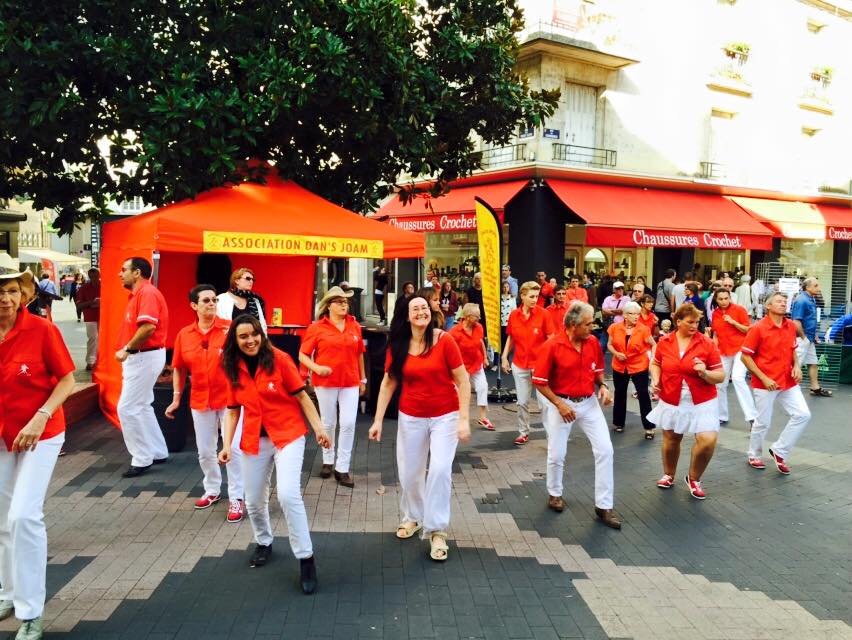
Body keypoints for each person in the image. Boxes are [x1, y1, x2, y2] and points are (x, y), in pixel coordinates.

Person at [218, 315, 331, 593]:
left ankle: (306, 558)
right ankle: (264, 541)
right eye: (243, 336)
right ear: (235, 340)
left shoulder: (279, 359)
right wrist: (225, 444)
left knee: (288, 494)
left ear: (261, 334)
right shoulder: (232, 366)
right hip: (254, 439)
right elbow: (233, 410)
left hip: (287, 435)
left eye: (254, 334)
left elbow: (302, 396)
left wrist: (319, 428)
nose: (250, 340)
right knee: (254, 501)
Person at [0, 258, 76, 640]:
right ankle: (6, 592)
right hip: (2, 433)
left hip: (40, 433)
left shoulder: (41, 330)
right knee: (1, 518)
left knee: (24, 516)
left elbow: (68, 380)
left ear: (24, 293)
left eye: (12, 290)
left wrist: (41, 415)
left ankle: (31, 612)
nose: (5, 298)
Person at [368, 296, 471, 562]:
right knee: (410, 472)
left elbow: (462, 379)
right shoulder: (398, 345)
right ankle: (413, 516)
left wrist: (463, 418)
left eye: (424, 307)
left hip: (445, 416)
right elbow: (388, 383)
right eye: (415, 309)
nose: (421, 312)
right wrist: (378, 419)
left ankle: (436, 529)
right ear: (406, 316)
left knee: (438, 469)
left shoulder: (444, 340)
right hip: (411, 416)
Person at [532, 302, 621, 528]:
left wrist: (603, 386)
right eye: (588, 324)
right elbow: (540, 382)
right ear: (573, 325)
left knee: (605, 450)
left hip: (588, 403)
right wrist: (559, 404)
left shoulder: (591, 343)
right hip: (561, 403)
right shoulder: (552, 345)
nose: (593, 328)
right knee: (556, 453)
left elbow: (598, 371)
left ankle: (604, 506)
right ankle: (554, 493)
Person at [165, 284, 244, 522]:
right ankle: (212, 490)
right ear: (194, 306)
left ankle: (237, 497)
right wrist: (176, 398)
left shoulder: (230, 330)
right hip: (200, 399)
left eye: (214, 300)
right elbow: (178, 368)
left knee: (233, 449)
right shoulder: (184, 335)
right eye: (206, 301)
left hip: (230, 400)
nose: (211, 304)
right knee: (205, 451)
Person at [648, 304, 725, 500]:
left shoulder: (706, 343)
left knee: (708, 440)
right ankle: (669, 474)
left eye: (697, 322)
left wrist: (705, 372)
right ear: (678, 321)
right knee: (672, 439)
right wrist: (656, 379)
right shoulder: (665, 341)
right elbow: (656, 363)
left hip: (702, 399)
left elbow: (721, 376)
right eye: (690, 322)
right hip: (673, 396)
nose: (694, 325)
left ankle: (694, 478)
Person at [299, 286, 366, 488]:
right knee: (327, 423)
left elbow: (359, 353)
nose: (344, 304)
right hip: (325, 382)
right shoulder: (317, 328)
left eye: (345, 302)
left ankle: (342, 467)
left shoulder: (354, 326)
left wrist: (363, 379)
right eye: (339, 301)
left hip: (350, 381)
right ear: (329, 306)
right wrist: (316, 368)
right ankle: (328, 460)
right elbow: (302, 355)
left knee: (348, 423)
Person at [740, 292, 811, 474]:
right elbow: (745, 357)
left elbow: (792, 350)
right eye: (779, 301)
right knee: (763, 422)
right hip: (766, 382)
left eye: (785, 301)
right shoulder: (758, 328)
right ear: (768, 306)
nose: (783, 304)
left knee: (803, 415)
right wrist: (763, 377)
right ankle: (754, 455)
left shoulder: (790, 326)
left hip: (788, 380)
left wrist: (797, 366)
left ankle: (780, 450)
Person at [115, 257, 170, 478]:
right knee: (143, 405)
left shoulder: (146, 293)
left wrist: (127, 349)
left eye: (123, 270)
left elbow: (148, 327)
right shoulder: (142, 294)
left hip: (142, 357)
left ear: (137, 273)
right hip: (144, 357)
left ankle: (142, 458)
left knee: (127, 408)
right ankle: (157, 451)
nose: (120, 274)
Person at [502, 281, 556, 446]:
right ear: (522, 296)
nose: (535, 299)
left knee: (545, 404)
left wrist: (551, 361)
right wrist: (504, 357)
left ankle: (552, 437)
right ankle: (523, 432)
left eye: (537, 296)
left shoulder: (544, 314)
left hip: (540, 366)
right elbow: (511, 337)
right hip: (520, 364)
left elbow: (551, 339)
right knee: (523, 401)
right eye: (531, 296)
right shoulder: (513, 315)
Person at [607, 301, 655, 439]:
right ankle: (618, 423)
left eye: (637, 314)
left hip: (639, 365)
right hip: (620, 365)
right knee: (620, 393)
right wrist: (616, 353)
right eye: (632, 314)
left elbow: (654, 344)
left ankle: (649, 427)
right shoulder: (614, 327)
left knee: (643, 394)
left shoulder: (644, 329)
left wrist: (652, 359)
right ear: (625, 315)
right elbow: (609, 345)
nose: (636, 316)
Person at [709, 289, 756, 427]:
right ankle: (721, 415)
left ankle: (752, 417)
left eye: (726, 298)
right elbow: (716, 334)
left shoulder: (739, 310)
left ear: (730, 297)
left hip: (740, 349)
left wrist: (733, 322)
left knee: (737, 378)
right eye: (720, 299)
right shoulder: (715, 313)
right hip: (723, 351)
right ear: (716, 300)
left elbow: (748, 330)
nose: (724, 301)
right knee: (719, 383)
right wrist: (713, 351)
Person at [450, 303, 493, 430]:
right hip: (462, 366)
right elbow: (450, 351)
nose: (479, 318)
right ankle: (458, 418)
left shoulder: (479, 327)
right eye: (477, 316)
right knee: (460, 392)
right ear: (468, 317)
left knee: (482, 387)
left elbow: (480, 343)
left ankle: (483, 417)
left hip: (477, 363)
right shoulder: (455, 332)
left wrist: (485, 357)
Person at [791, 277, 832, 397]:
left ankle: (815, 388)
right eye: (816, 285)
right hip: (802, 338)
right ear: (807, 287)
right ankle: (790, 389)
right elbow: (796, 321)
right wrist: (804, 338)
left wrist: (813, 337)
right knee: (796, 364)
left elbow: (810, 321)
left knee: (813, 363)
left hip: (809, 338)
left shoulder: (811, 299)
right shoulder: (801, 300)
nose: (818, 288)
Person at [216, 267, 268, 332]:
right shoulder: (221, 299)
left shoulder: (255, 300)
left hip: (251, 340)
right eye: (248, 278)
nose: (251, 281)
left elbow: (262, 325)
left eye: (253, 280)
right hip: (229, 339)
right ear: (236, 281)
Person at [74, 268, 101, 371]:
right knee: (93, 338)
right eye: (92, 276)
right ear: (89, 276)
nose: (94, 278)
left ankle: (100, 360)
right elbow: (79, 306)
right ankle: (90, 361)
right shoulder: (83, 288)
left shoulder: (105, 286)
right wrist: (92, 302)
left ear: (99, 275)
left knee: (102, 340)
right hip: (90, 317)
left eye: (96, 276)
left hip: (103, 316)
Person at [600, 280, 627, 352]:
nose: (620, 290)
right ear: (614, 290)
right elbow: (604, 311)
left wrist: (611, 310)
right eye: (618, 288)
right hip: (608, 326)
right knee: (601, 347)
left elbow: (624, 310)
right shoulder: (608, 299)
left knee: (619, 349)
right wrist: (618, 311)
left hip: (621, 327)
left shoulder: (627, 299)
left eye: (622, 288)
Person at [500, 281, 517, 354]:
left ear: (509, 287)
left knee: (508, 340)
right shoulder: (499, 297)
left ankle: (506, 356)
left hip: (509, 322)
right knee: (501, 340)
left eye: (507, 287)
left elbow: (514, 310)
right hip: (500, 322)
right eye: (504, 287)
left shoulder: (512, 298)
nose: (505, 288)